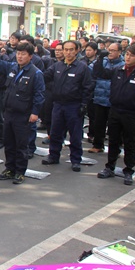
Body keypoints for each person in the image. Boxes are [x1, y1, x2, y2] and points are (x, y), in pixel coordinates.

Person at [94, 45, 135, 185]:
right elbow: (100, 73)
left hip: (131, 113)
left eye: (132, 55)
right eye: (127, 54)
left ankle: (128, 170)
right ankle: (110, 167)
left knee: (129, 142)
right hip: (115, 110)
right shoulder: (118, 70)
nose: (128, 57)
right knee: (113, 140)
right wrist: (100, 58)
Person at [0, 42, 45, 184]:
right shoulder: (13, 67)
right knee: (9, 143)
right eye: (18, 53)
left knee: (21, 145)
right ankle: (9, 168)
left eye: (23, 54)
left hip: (23, 114)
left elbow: (39, 95)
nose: (20, 56)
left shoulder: (36, 73)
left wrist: (35, 113)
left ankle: (20, 171)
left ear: (30, 56)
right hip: (9, 112)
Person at [42, 40, 94, 172]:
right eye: (66, 49)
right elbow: (44, 77)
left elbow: (88, 87)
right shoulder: (57, 66)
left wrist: (84, 104)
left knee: (75, 135)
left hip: (74, 106)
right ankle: (53, 155)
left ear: (77, 51)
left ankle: (76, 160)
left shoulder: (82, 68)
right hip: (58, 104)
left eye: (71, 49)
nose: (68, 52)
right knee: (55, 132)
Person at [88, 43, 124, 154]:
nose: (110, 52)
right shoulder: (103, 61)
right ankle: (98, 145)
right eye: (109, 50)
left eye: (113, 50)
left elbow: (107, 75)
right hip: (100, 97)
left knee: (114, 127)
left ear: (119, 52)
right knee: (99, 123)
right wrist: (100, 58)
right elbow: (93, 71)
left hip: (114, 99)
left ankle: (115, 148)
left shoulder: (123, 64)